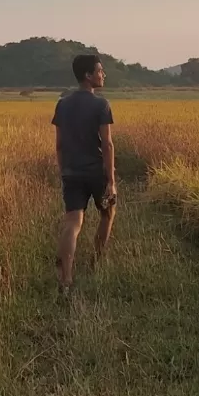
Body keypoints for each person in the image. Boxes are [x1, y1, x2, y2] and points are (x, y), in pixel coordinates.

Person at [52, 54, 116, 297]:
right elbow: (107, 145)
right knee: (108, 213)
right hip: (96, 172)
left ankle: (66, 279)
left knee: (73, 223)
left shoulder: (62, 104)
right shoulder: (101, 104)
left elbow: (59, 145)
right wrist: (110, 180)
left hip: (71, 172)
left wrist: (64, 171)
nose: (103, 74)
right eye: (100, 71)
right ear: (88, 76)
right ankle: (96, 262)